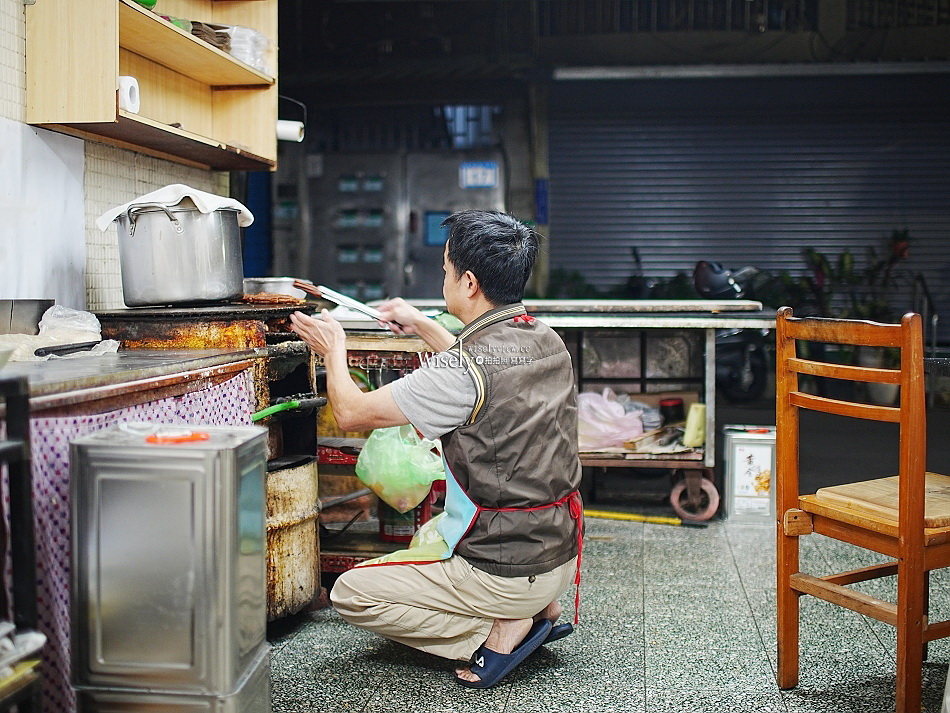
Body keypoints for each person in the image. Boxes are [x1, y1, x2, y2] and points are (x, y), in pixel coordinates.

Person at [289, 210, 583, 689]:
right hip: (557, 554)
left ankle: (498, 629)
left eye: (445, 271)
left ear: (468, 283)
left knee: (351, 593)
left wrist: (333, 349)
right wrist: (422, 323)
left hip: (506, 570)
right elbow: (483, 372)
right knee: (435, 530)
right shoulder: (544, 338)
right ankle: (533, 610)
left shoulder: (462, 371)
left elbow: (351, 413)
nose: (442, 277)